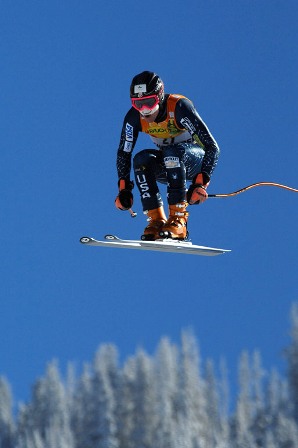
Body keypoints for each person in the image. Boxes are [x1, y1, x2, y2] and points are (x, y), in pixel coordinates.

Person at [115, 71, 220, 241]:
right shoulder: (134, 117)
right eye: (138, 104)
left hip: (194, 161)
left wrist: (201, 183)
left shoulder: (178, 107)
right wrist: (124, 189)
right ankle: (156, 221)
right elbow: (124, 152)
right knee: (141, 160)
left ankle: (179, 221)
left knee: (172, 152)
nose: (145, 110)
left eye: (149, 102)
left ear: (160, 96)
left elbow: (212, 147)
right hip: (169, 165)